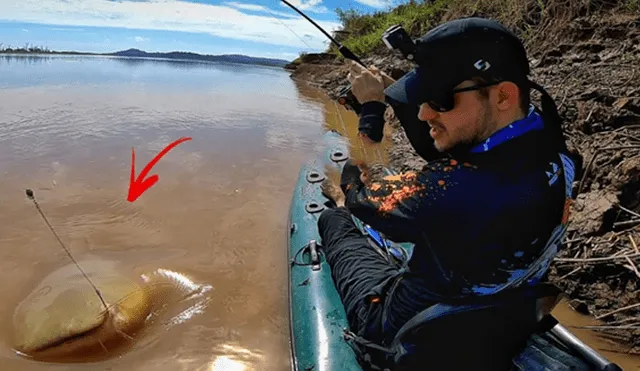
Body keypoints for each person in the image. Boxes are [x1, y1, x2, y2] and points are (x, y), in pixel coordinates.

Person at [316, 16, 581, 357]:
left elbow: (363, 187)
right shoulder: (557, 150)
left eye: (439, 99)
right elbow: (452, 147)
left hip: (405, 330)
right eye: (422, 97)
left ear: (503, 96)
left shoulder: (449, 189)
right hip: (499, 317)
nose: (424, 113)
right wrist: (402, 96)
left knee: (337, 218)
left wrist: (371, 109)